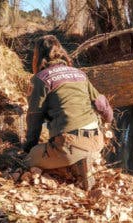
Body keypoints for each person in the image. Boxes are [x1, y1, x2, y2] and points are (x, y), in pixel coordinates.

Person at [23, 35, 113, 189]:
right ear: (61, 52)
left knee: (31, 159)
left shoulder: (41, 79)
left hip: (68, 144)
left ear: (38, 57)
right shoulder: (78, 74)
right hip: (97, 140)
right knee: (70, 150)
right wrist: (108, 121)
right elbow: (102, 105)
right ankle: (83, 161)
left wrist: (29, 147)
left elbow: (34, 119)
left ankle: (75, 162)